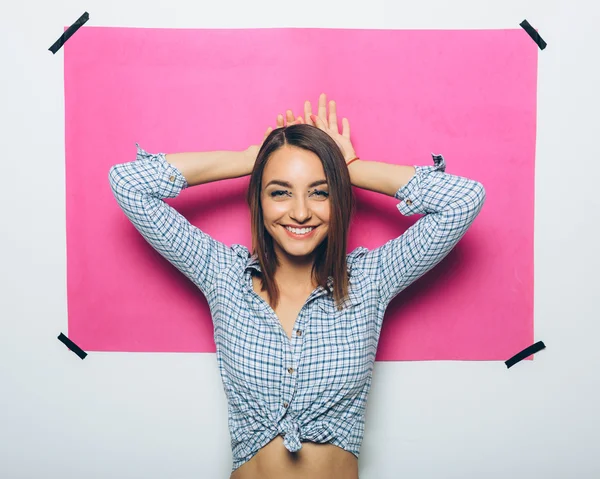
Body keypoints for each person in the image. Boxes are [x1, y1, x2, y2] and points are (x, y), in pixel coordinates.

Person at [109, 93, 486, 479]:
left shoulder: (371, 279)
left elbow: (463, 199)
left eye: (320, 191)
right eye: (280, 191)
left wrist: (350, 167)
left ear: (337, 200)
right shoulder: (222, 273)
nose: (301, 211)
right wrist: (247, 160)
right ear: (259, 198)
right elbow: (128, 183)